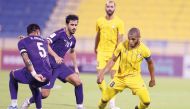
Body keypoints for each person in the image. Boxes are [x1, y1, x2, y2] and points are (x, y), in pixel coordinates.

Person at [20, 14, 84, 109]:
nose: (74, 27)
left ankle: (80, 107)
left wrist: (76, 67)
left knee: (78, 82)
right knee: (44, 94)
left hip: (59, 66)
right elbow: (45, 43)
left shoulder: (73, 40)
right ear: (67, 24)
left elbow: (72, 51)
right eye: (72, 25)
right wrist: (56, 56)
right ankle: (28, 101)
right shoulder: (59, 33)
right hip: (48, 66)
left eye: (76, 25)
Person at [97, 27, 156, 109]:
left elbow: (150, 64)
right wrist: (102, 73)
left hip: (135, 78)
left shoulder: (144, 50)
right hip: (119, 78)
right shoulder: (121, 45)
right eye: (129, 39)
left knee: (146, 102)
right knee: (104, 99)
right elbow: (113, 60)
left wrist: (152, 79)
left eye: (133, 39)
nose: (130, 41)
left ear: (139, 38)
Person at [7, 24, 52, 109]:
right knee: (34, 86)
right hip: (48, 74)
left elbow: (26, 59)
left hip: (36, 72)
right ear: (38, 31)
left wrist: (34, 74)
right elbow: (35, 43)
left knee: (12, 75)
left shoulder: (22, 42)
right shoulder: (44, 41)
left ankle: (13, 105)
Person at [94, 0, 125, 108]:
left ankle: (112, 104)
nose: (109, 8)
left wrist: (117, 54)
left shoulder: (119, 22)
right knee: (99, 78)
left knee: (114, 79)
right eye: (108, 6)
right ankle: (106, 97)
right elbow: (97, 35)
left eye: (111, 6)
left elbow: (120, 40)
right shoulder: (99, 21)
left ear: (115, 8)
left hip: (113, 54)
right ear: (105, 8)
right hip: (101, 53)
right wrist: (95, 47)